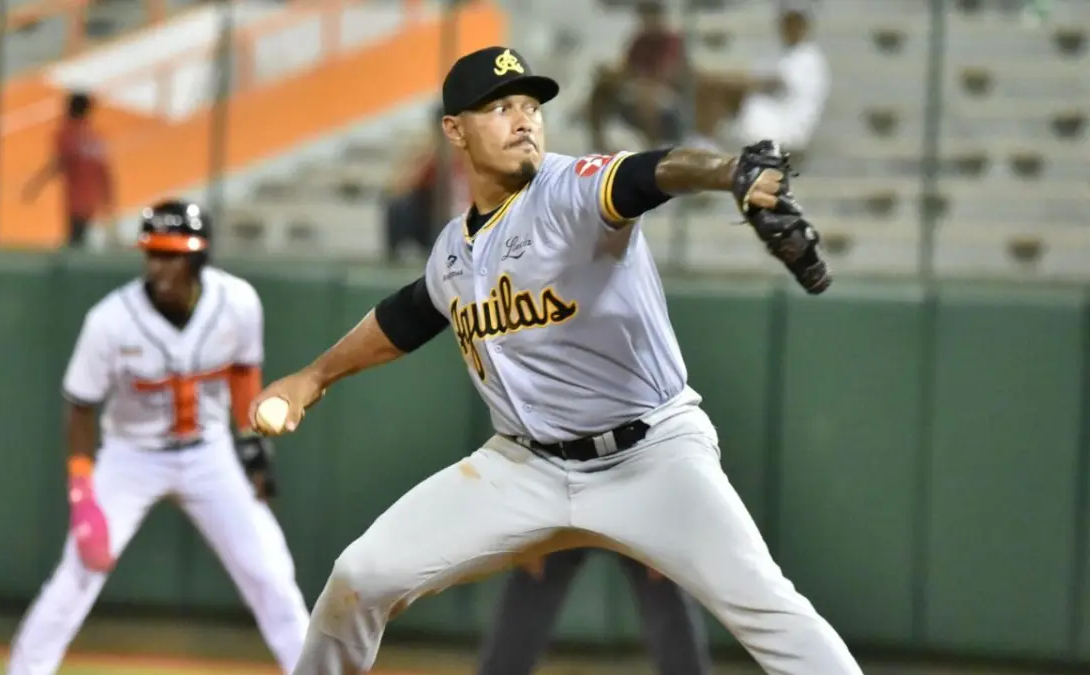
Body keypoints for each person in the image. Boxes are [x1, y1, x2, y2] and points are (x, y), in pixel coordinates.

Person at [249, 46, 854, 675]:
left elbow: (648, 173)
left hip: (651, 457)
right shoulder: (454, 247)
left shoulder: (570, 190)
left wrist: (729, 172)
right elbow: (406, 317)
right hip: (525, 467)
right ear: (455, 129)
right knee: (360, 576)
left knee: (772, 611)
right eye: (500, 107)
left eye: (531, 106)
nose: (524, 120)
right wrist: (312, 377)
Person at [5, 199, 310, 675]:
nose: (159, 266)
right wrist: (82, 492)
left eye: (172, 255)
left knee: (270, 571)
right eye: (153, 253)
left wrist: (253, 447)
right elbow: (80, 405)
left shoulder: (238, 302)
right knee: (77, 575)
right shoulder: (110, 320)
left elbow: (244, 374)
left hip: (209, 452)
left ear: (198, 256)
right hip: (131, 455)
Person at [477, 549, 711, 675]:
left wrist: (661, 525)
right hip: (564, 489)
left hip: (633, 492)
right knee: (533, 576)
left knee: (665, 582)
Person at [692, 0, 830, 154]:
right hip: (765, 115)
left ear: (804, 25)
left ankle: (705, 144)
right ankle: (704, 142)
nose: (789, 26)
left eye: (795, 22)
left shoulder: (809, 57)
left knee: (718, 87)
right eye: (787, 21)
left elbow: (771, 82)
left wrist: (719, 79)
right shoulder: (776, 52)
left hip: (784, 127)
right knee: (713, 88)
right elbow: (751, 76)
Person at [586, 0, 687, 151]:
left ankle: (652, 145)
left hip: (663, 89)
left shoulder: (671, 40)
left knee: (648, 99)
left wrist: (641, 79)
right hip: (636, 84)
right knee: (602, 89)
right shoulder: (640, 40)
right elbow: (627, 65)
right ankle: (599, 141)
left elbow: (667, 71)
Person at [22, 91, 116, 247]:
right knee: (79, 237)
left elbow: (59, 163)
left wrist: (36, 185)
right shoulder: (95, 136)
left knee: (75, 240)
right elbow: (104, 171)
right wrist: (108, 199)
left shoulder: (66, 133)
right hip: (92, 197)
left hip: (76, 198)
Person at [383, 106, 468, 263]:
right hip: (432, 224)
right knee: (398, 206)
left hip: (466, 225)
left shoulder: (474, 156)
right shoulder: (430, 158)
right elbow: (397, 187)